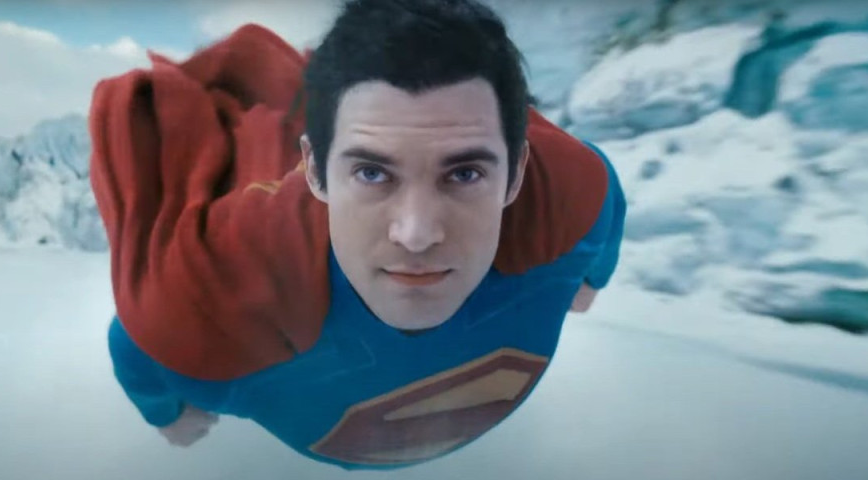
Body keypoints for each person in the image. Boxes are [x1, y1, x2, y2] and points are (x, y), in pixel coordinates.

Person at [89, 0, 626, 471]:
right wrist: (163, 409)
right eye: (372, 172)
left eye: (464, 174)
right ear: (314, 172)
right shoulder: (226, 293)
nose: (416, 235)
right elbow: (139, 343)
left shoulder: (569, 199)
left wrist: (171, 417)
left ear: (516, 174)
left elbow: (603, 194)